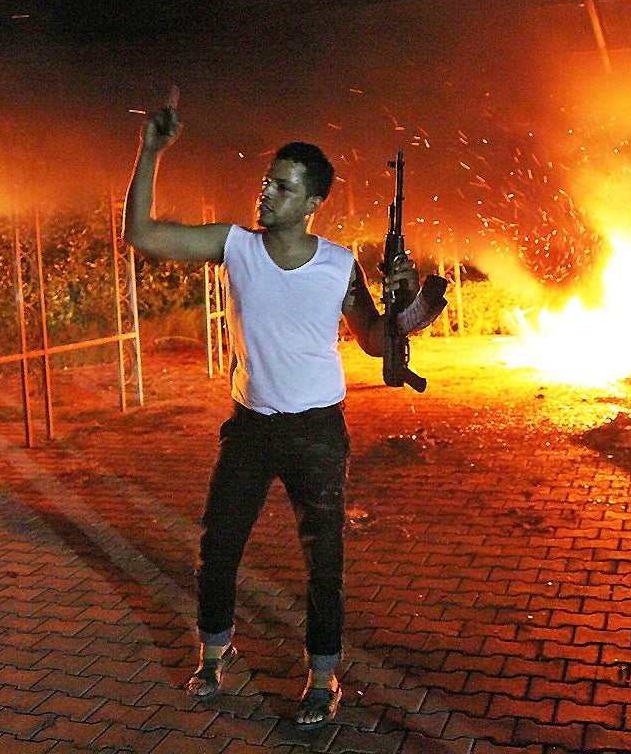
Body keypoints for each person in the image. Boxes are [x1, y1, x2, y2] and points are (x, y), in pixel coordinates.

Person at [123, 99, 425, 730]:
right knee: (218, 546)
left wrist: (407, 296)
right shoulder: (236, 247)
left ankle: (322, 677)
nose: (266, 193)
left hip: (317, 429)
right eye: (266, 181)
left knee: (324, 561)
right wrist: (151, 151)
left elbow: (375, 339)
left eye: (282, 187)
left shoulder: (339, 265)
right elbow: (143, 234)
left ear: (312, 202)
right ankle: (213, 653)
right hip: (252, 426)